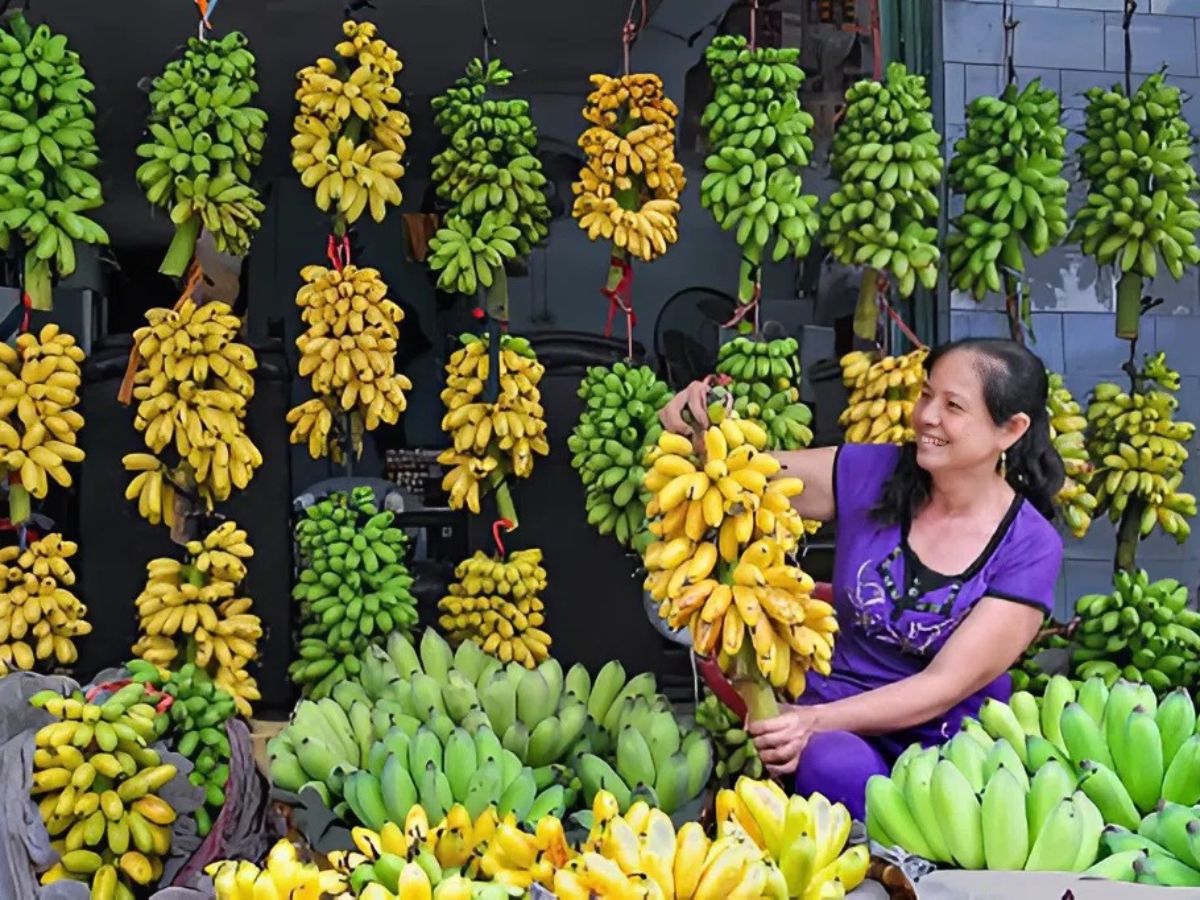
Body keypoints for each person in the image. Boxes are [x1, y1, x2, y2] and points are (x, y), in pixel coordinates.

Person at [659, 338, 1065, 818]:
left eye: (953, 406)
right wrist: (701, 429)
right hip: (839, 723)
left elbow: (944, 683)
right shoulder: (870, 472)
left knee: (942, 794)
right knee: (835, 766)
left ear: (1011, 429)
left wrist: (810, 720)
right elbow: (743, 477)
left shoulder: (1030, 545)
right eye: (926, 395)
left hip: (949, 736)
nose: (927, 416)